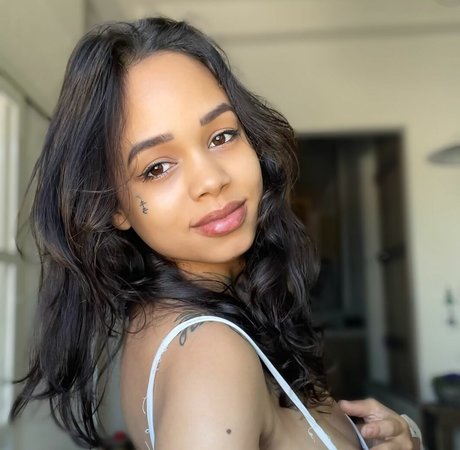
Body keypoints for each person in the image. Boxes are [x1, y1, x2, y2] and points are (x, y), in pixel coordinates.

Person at [10, 17, 422, 450]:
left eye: (222, 136)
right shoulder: (210, 358)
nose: (211, 180)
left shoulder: (171, 320)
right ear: (115, 207)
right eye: (157, 167)